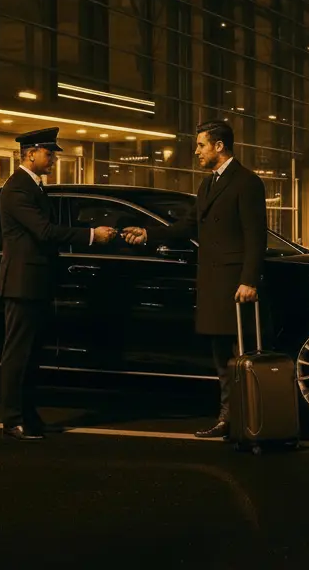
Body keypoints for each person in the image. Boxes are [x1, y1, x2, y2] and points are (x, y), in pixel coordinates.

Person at [123, 120, 267, 439]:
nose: (197, 151)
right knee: (221, 357)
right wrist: (148, 233)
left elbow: (256, 236)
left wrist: (249, 280)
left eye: (201, 145)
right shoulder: (208, 184)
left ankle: (249, 419)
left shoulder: (247, 182)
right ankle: (229, 418)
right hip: (213, 283)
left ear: (219, 146)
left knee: (240, 355)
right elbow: (187, 227)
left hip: (234, 284)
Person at [0, 127, 117, 441]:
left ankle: (28, 416)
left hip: (34, 281)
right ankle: (13, 419)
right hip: (22, 282)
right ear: (30, 154)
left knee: (32, 354)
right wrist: (91, 236)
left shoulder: (33, 187)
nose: (53, 159)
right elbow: (45, 231)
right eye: (49, 154)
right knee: (18, 354)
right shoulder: (17, 189)